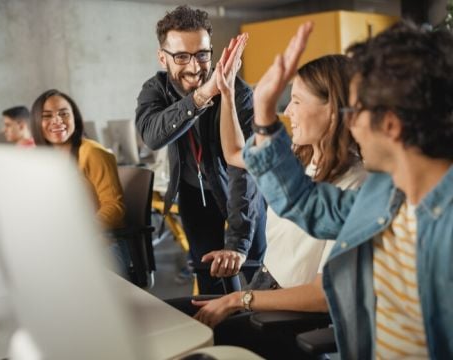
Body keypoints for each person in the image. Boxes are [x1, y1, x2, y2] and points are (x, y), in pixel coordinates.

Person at [242, 21, 453, 359]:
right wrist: (264, 117)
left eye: (355, 111)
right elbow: (306, 203)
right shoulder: (387, 194)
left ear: (390, 126)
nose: (349, 123)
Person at [173, 51, 366, 358]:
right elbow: (235, 152)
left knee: (183, 341)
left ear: (332, 110)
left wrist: (238, 299)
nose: (287, 110)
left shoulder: (356, 185)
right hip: (262, 289)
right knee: (163, 315)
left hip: (290, 318)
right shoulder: (298, 157)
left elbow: (324, 296)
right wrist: (227, 92)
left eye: (297, 101)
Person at [135, 5, 266, 294]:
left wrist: (238, 243)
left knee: (256, 275)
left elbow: (243, 171)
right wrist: (202, 96)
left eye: (202, 55)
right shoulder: (155, 90)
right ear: (162, 57)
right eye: (181, 56)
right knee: (208, 281)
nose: (195, 67)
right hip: (194, 193)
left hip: (240, 193)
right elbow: (153, 135)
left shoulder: (240, 94)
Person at [30, 89, 130, 276]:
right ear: (37, 122)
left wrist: (79, 233)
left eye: (63, 113)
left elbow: (115, 207)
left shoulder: (92, 152)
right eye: (47, 116)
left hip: (103, 245)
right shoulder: (43, 158)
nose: (57, 120)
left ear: (74, 117)